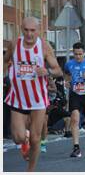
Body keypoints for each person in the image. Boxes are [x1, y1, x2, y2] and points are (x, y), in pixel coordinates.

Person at [3, 17, 63, 171]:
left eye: (33, 30)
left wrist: (47, 71)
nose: (29, 34)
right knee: (18, 138)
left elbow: (58, 70)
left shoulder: (44, 47)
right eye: (26, 30)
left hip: (38, 100)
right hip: (18, 98)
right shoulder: (14, 44)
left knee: (36, 140)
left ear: (38, 30)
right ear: (21, 29)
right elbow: (5, 60)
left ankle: (30, 171)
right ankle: (25, 139)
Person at [40, 76, 57, 153]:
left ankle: (42, 143)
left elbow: (55, 89)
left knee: (44, 124)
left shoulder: (46, 77)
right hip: (31, 101)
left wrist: (46, 88)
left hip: (44, 102)